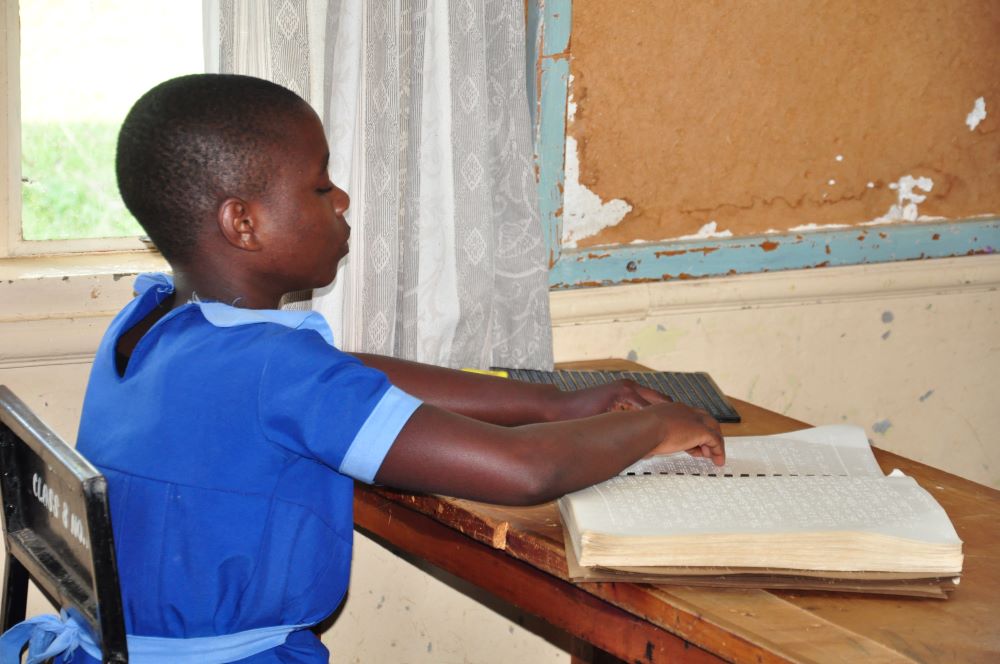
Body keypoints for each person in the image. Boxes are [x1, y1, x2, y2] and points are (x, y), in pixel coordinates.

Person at [8, 74, 723, 663]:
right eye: (321, 188)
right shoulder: (275, 372)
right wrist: (659, 424)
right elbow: (520, 472)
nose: (342, 199)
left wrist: (553, 403)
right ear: (243, 223)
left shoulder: (152, 320)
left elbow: (338, 372)